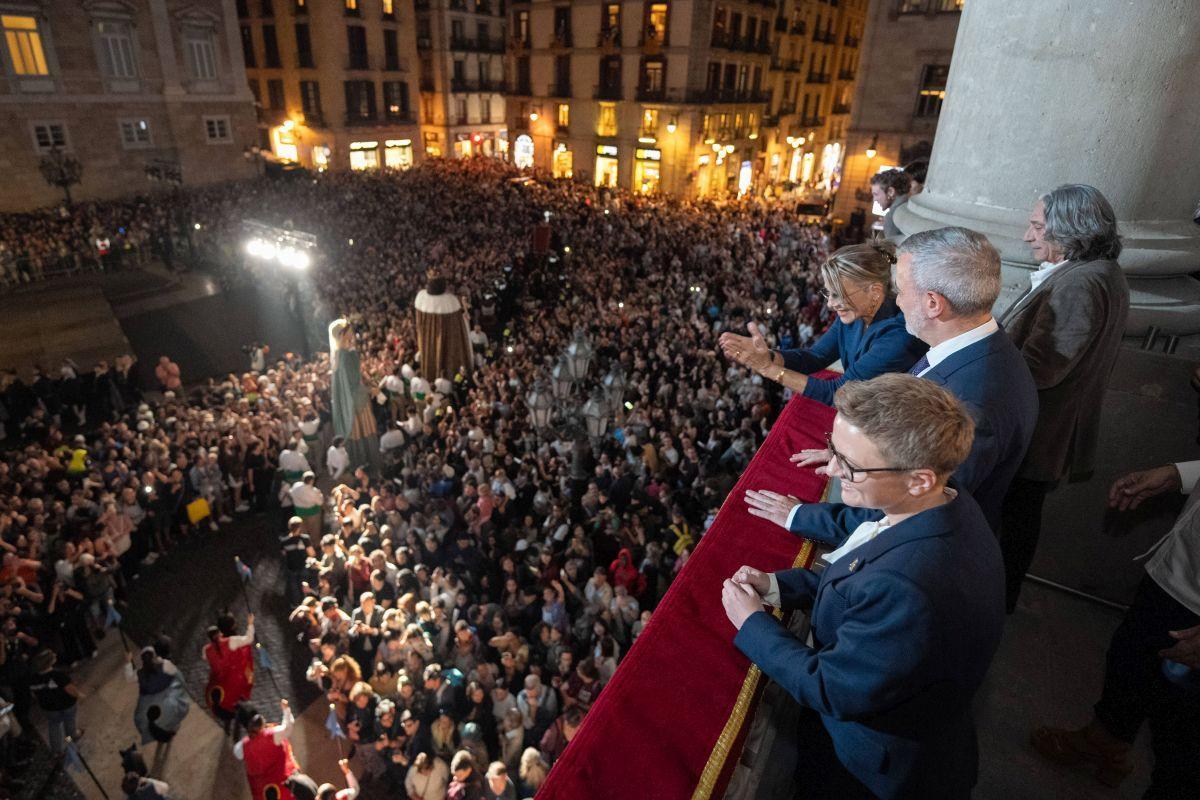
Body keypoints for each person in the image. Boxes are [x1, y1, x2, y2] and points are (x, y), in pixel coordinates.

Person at [725, 374, 1004, 799]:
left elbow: (831, 687)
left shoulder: (911, 587)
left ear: (919, 479)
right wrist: (777, 585)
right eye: (835, 449)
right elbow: (860, 583)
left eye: (850, 464)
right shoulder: (944, 502)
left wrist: (752, 624)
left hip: (870, 770)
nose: (834, 470)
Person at [783, 226, 1038, 536]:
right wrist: (857, 458)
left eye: (900, 290)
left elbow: (916, 509)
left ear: (933, 303)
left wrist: (799, 516)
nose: (897, 302)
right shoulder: (978, 348)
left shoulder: (974, 404)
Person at [1030, 459, 1200, 795]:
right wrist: (1178, 475)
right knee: (1130, 661)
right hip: (1176, 573)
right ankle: (1105, 742)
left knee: (1182, 747)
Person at [998, 184, 1129, 610]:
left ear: (1072, 230)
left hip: (1037, 430)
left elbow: (1042, 366)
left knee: (1012, 523)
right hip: (1042, 427)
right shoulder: (1097, 272)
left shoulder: (1080, 283)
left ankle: (993, 604)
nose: (1027, 236)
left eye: (1037, 227)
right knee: (1017, 519)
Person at [719, 241, 925, 405]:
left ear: (875, 291)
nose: (831, 304)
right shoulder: (854, 315)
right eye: (829, 294)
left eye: (839, 295)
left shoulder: (898, 336)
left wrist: (769, 370)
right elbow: (815, 357)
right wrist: (771, 357)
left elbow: (840, 392)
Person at [328, 319, 380, 473]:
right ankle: (372, 466)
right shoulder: (348, 355)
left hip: (349, 405)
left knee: (357, 433)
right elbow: (353, 384)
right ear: (342, 335)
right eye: (349, 331)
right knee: (367, 430)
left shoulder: (337, 355)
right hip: (358, 402)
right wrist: (371, 390)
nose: (352, 333)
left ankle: (360, 466)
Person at [234, 699, 300, 800]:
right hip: (280, 777)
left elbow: (238, 754)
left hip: (260, 785)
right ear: (262, 726)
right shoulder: (272, 735)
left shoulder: (243, 745)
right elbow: (288, 728)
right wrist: (286, 710)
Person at [203, 611, 255, 735]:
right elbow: (249, 639)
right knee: (238, 702)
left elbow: (207, 658)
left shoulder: (205, 650)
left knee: (226, 706)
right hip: (235, 679)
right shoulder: (232, 641)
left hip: (219, 681)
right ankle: (237, 727)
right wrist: (250, 624)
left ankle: (227, 727)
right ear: (220, 633)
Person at [29, 649, 82, 756]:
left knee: (54, 726)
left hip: (49, 708)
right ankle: (71, 738)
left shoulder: (33, 679)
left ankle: (57, 750)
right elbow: (70, 689)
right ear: (50, 661)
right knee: (69, 723)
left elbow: (34, 694)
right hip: (66, 705)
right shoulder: (58, 675)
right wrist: (79, 695)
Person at [870, 169, 912, 239]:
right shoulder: (910, 204)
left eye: (876, 194)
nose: (874, 199)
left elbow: (891, 249)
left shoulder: (892, 216)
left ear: (890, 192)